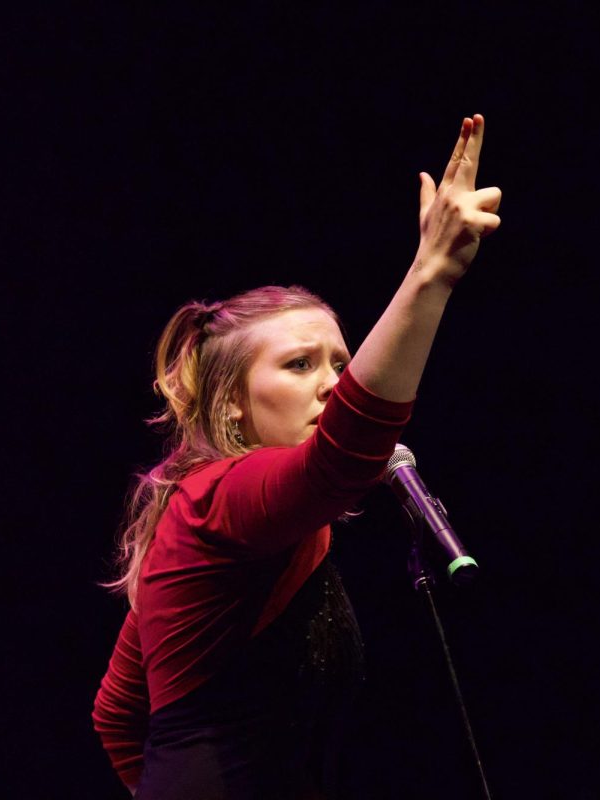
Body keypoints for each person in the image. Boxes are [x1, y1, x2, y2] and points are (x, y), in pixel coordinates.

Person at [92, 115, 501, 799]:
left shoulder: (251, 522)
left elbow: (117, 715)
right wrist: (428, 277)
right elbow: (344, 455)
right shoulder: (216, 500)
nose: (334, 383)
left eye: (342, 362)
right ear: (231, 405)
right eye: (300, 364)